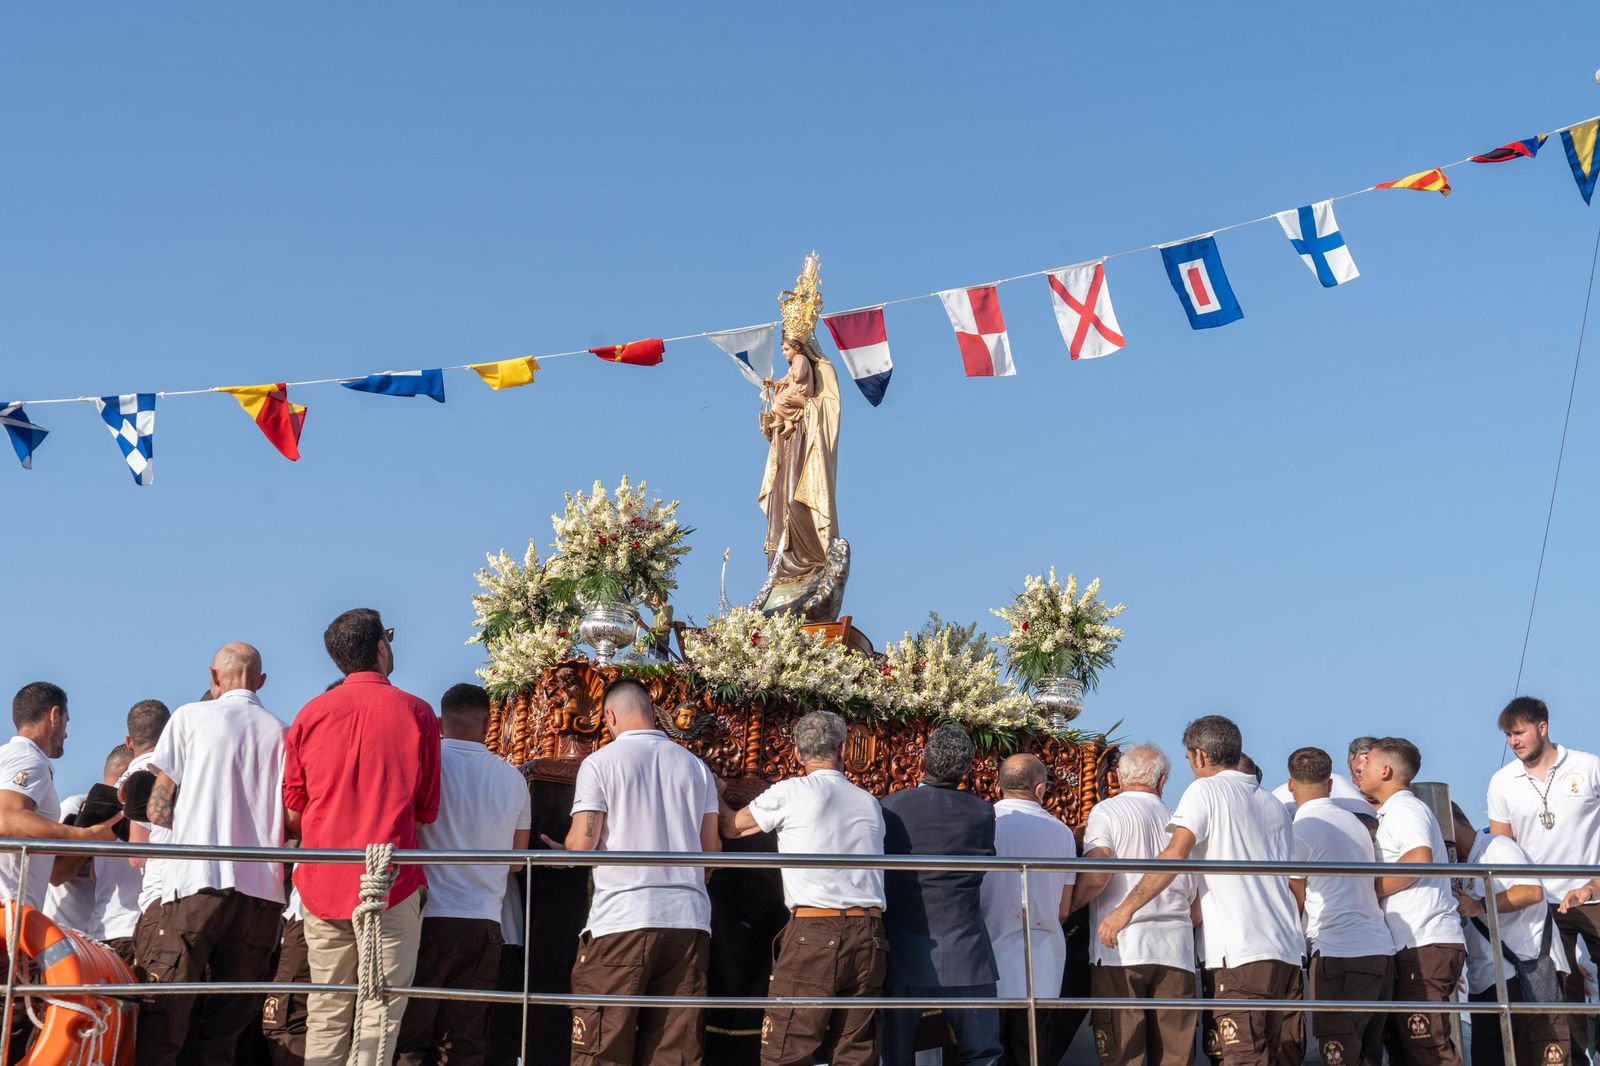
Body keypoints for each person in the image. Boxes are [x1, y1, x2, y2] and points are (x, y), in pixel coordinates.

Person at [1098, 715, 1304, 1066]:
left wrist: (1124, 909)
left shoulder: (1205, 790)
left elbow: (1175, 854)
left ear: (1200, 756)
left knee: (1242, 1058)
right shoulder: (1272, 803)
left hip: (1240, 951)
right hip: (1286, 949)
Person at [284, 609, 441, 1066]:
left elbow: (294, 812)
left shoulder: (309, 715)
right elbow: (427, 810)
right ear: (380, 647)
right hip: (390, 884)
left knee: (326, 1011)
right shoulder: (417, 712)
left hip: (322, 883)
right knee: (381, 1010)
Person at [549, 678, 719, 1066]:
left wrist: (563, 852)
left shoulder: (601, 763)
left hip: (622, 921)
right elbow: (712, 853)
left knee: (602, 1045)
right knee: (675, 1053)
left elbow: (582, 844)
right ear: (653, 713)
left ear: (609, 715)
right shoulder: (695, 766)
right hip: (689, 920)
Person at [132, 643, 288, 1066]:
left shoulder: (189, 717)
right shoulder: (282, 731)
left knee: (166, 1015)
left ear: (214, 676)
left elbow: (158, 809)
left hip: (198, 881)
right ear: (261, 682)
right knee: (224, 1030)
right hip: (262, 893)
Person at [718, 709, 886, 1066]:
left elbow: (732, 827)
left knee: (788, 1048)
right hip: (870, 935)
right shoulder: (870, 803)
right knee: (856, 1053)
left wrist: (714, 790)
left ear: (795, 754)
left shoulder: (791, 792)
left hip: (816, 931)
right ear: (842, 751)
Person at [396, 683, 531, 1066]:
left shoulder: (424, 763)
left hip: (427, 918)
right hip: (485, 924)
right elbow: (517, 862)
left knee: (410, 1036)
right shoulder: (513, 779)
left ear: (439, 721)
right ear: (490, 722)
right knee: (466, 1040)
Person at [1485, 697, 1600, 1066]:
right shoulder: (1502, 782)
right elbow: (1502, 848)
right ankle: (1577, 1060)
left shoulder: (1588, 767)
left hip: (1593, 894)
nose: (1513, 741)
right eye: (1507, 735)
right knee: (1562, 993)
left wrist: (1593, 885)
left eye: (1519, 732)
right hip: (1541, 906)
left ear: (1543, 727)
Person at [880, 724, 1002, 1066]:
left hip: (905, 951)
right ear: (967, 769)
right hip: (968, 953)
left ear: (923, 760)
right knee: (981, 1054)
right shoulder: (982, 812)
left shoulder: (891, 807)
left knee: (895, 1054)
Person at [1071, 743, 1197, 1066]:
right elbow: (1196, 900)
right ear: (1162, 781)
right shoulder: (1179, 823)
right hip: (1176, 951)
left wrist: (1068, 909)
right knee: (1175, 1056)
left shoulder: (1107, 812)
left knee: (1122, 1054)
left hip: (1121, 948)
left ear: (1119, 776)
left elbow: (1098, 874)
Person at [1285, 746, 1395, 1066]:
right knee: (1371, 1056)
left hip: (1338, 953)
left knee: (1338, 1056)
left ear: (1291, 784)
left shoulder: (1301, 830)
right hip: (1379, 952)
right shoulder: (1356, 825)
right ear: (1330, 785)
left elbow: (1296, 895)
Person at [1363, 736, 1465, 1066]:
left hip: (1423, 943)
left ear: (1387, 770)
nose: (1361, 769)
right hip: (1414, 945)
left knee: (1428, 1047)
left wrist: (1369, 890)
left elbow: (1419, 858)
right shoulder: (1392, 811)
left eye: (1368, 763)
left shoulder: (1405, 807)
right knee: (1408, 1048)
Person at [979, 753, 1078, 1066]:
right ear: (1040, 789)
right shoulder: (1061, 832)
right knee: (1031, 1052)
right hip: (1042, 960)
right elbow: (1064, 908)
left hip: (987, 959)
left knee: (987, 1052)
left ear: (998, 786)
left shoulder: (985, 822)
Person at [1453, 804, 1567, 1066]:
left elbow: (1531, 890)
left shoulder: (1496, 847)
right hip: (1485, 982)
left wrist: (1480, 906)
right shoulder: (1460, 864)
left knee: (1536, 1056)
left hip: (1525, 973)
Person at [0, 682, 121, 908]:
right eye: (66, 723)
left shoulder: (7, 756)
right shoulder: (29, 758)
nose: (66, 734)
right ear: (54, 715)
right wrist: (88, 836)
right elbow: (7, 818)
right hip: (9, 909)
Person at [44, 745, 132, 936]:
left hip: (106, 935)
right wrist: (93, 834)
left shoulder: (137, 818)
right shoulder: (75, 807)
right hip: (65, 934)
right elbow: (56, 876)